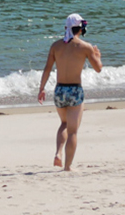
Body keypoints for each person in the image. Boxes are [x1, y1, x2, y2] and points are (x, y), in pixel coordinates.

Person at [37, 12, 102, 171]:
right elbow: (98, 69)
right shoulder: (85, 47)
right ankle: (67, 166)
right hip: (75, 90)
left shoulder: (56, 46)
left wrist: (42, 88)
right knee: (73, 131)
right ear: (80, 29)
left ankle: (58, 152)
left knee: (63, 123)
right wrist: (98, 56)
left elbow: (47, 68)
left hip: (59, 89)